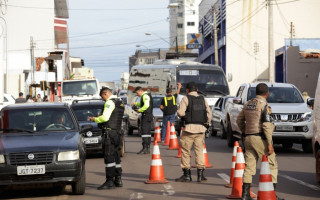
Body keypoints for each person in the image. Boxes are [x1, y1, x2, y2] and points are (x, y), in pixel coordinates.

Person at [236, 83, 283, 200]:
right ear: (267, 93)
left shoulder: (248, 104)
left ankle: (245, 195)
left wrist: (244, 132)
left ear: (256, 92)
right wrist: (270, 144)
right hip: (260, 139)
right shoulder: (265, 105)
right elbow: (267, 126)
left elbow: (239, 120)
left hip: (248, 138)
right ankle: (271, 194)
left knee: (249, 166)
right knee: (271, 164)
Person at [175, 82, 212, 183]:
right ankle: (200, 175)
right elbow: (209, 114)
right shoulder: (203, 99)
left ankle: (187, 175)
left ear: (187, 90)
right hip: (201, 129)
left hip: (188, 129)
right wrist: (206, 123)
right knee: (199, 151)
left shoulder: (185, 98)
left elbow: (180, 112)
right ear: (197, 90)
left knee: (186, 152)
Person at [89, 86, 124, 190]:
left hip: (109, 133)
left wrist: (95, 119)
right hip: (117, 133)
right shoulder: (120, 102)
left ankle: (109, 181)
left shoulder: (109, 102)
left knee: (109, 157)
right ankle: (118, 179)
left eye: (103, 97)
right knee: (116, 157)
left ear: (105, 94)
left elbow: (105, 118)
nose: (103, 100)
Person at [131, 86, 153, 154]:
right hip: (148, 115)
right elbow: (142, 104)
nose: (137, 94)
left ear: (140, 91)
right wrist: (136, 103)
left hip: (146, 116)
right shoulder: (145, 96)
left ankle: (145, 148)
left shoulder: (145, 96)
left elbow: (146, 105)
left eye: (137, 92)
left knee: (144, 132)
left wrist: (139, 110)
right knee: (147, 132)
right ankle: (147, 148)